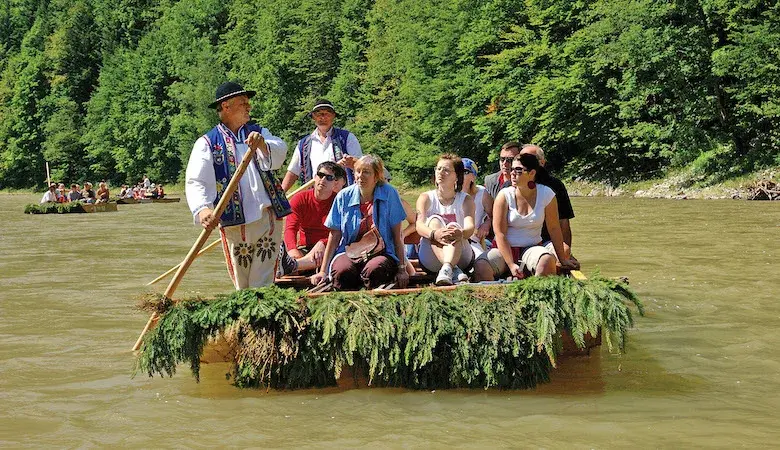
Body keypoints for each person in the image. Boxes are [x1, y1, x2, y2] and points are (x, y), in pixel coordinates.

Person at [186, 81, 290, 290]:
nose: (249, 107)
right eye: (243, 103)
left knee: (263, 281)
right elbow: (196, 180)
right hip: (234, 222)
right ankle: (246, 318)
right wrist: (203, 209)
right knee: (242, 282)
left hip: (267, 217)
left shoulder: (259, 132)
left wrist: (262, 145)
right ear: (226, 107)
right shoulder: (207, 142)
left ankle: (263, 317)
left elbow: (280, 150)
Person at [311, 155, 409, 290]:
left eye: (366, 172)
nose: (360, 176)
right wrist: (323, 271)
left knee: (374, 270)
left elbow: (397, 235)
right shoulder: (343, 196)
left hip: (382, 252)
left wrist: (402, 269)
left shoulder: (389, 193)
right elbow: (334, 236)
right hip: (349, 250)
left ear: (376, 176)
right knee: (342, 271)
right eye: (358, 171)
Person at [474, 154, 577, 281]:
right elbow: (500, 233)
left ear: (532, 173)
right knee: (481, 266)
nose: (512, 173)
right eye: (512, 169)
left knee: (546, 260)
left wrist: (562, 259)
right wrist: (511, 264)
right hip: (504, 250)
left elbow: (554, 229)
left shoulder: (546, 194)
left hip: (531, 248)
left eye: (518, 170)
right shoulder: (504, 195)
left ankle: (536, 295)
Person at [415, 154, 476, 285]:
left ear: (457, 176)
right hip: (430, 256)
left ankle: (449, 268)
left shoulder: (466, 199)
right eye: (438, 169)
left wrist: (461, 233)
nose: (441, 173)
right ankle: (452, 268)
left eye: (446, 170)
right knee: (434, 220)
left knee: (453, 226)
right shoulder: (425, 198)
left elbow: (470, 227)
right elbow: (419, 225)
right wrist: (434, 234)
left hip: (462, 254)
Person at [278, 161, 347, 275]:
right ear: (315, 177)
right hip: (305, 249)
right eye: (320, 175)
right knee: (292, 254)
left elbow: (342, 232)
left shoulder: (339, 202)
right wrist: (292, 250)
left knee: (324, 255)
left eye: (329, 177)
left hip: (330, 247)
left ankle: (292, 265)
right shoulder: (299, 199)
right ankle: (293, 264)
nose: (323, 179)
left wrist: (323, 243)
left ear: (335, 183)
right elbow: (290, 228)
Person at [281, 99, 362, 191]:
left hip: (341, 195)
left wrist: (351, 162)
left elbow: (360, 166)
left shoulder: (347, 138)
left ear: (333, 116)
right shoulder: (303, 144)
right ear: (313, 117)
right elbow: (293, 172)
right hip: (315, 196)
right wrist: (281, 195)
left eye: (327, 114)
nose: (323, 117)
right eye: (319, 114)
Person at [520, 144, 577, 264]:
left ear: (542, 162)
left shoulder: (555, 186)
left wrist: (565, 254)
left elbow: (563, 222)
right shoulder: (511, 185)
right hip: (518, 240)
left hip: (547, 240)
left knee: (564, 250)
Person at [461, 158, 493, 257]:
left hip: (473, 240)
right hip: (451, 240)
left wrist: (486, 224)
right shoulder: (449, 194)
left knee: (480, 261)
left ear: (473, 177)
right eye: (458, 171)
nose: (460, 174)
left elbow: (494, 215)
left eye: (465, 171)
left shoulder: (482, 193)